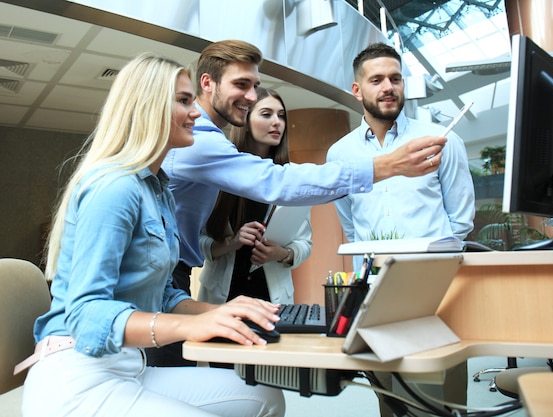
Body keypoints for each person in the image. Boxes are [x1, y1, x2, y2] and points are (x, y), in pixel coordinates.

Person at [20, 53, 285, 417]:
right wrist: (192, 324)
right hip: (76, 378)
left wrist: (223, 312)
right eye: (183, 101)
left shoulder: (157, 189)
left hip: (128, 368)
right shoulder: (115, 188)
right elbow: (88, 316)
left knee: (266, 399)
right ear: (149, 107)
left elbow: (163, 294)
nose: (196, 112)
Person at [153, 39, 447, 367]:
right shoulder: (201, 142)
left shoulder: (209, 141)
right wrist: (386, 165)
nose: (251, 97)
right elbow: (278, 183)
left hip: (174, 276)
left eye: (255, 86)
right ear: (207, 83)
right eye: (241, 85)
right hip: (167, 273)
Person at [326, 42, 475, 416]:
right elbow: (351, 223)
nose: (388, 86)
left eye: (395, 78)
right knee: (389, 399)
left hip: (436, 289)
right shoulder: (340, 155)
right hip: (375, 289)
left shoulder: (442, 141)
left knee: (438, 400)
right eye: (376, 79)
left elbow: (461, 221)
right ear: (357, 90)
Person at [198, 87, 313, 305]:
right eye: (266, 114)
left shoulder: (291, 177)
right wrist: (231, 243)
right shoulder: (221, 172)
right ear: (246, 121)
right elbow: (196, 241)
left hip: (272, 300)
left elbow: (305, 244)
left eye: (281, 116)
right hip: (222, 300)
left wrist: (282, 253)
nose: (277, 122)